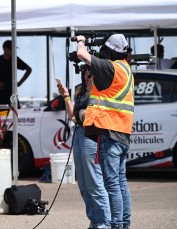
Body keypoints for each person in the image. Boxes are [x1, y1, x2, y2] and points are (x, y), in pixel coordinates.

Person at [76, 33, 134, 229]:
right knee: (120, 182)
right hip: (123, 133)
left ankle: (117, 225)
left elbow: (82, 54)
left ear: (108, 51)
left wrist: (81, 41)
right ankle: (124, 223)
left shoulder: (111, 67)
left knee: (111, 184)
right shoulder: (126, 69)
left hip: (110, 133)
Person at [57, 68, 111, 229]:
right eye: (85, 74)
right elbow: (74, 117)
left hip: (91, 136)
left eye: (89, 74)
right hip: (80, 133)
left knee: (94, 182)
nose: (87, 77)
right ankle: (94, 221)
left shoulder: (99, 90)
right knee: (84, 184)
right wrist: (66, 96)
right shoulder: (82, 91)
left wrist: (82, 114)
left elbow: (91, 115)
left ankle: (103, 223)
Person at [0, 40, 32, 107]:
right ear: (5, 49)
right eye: (12, 49)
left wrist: (20, 83)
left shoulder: (15, 60)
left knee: (16, 115)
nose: (14, 51)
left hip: (12, 95)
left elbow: (29, 69)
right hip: (0, 97)